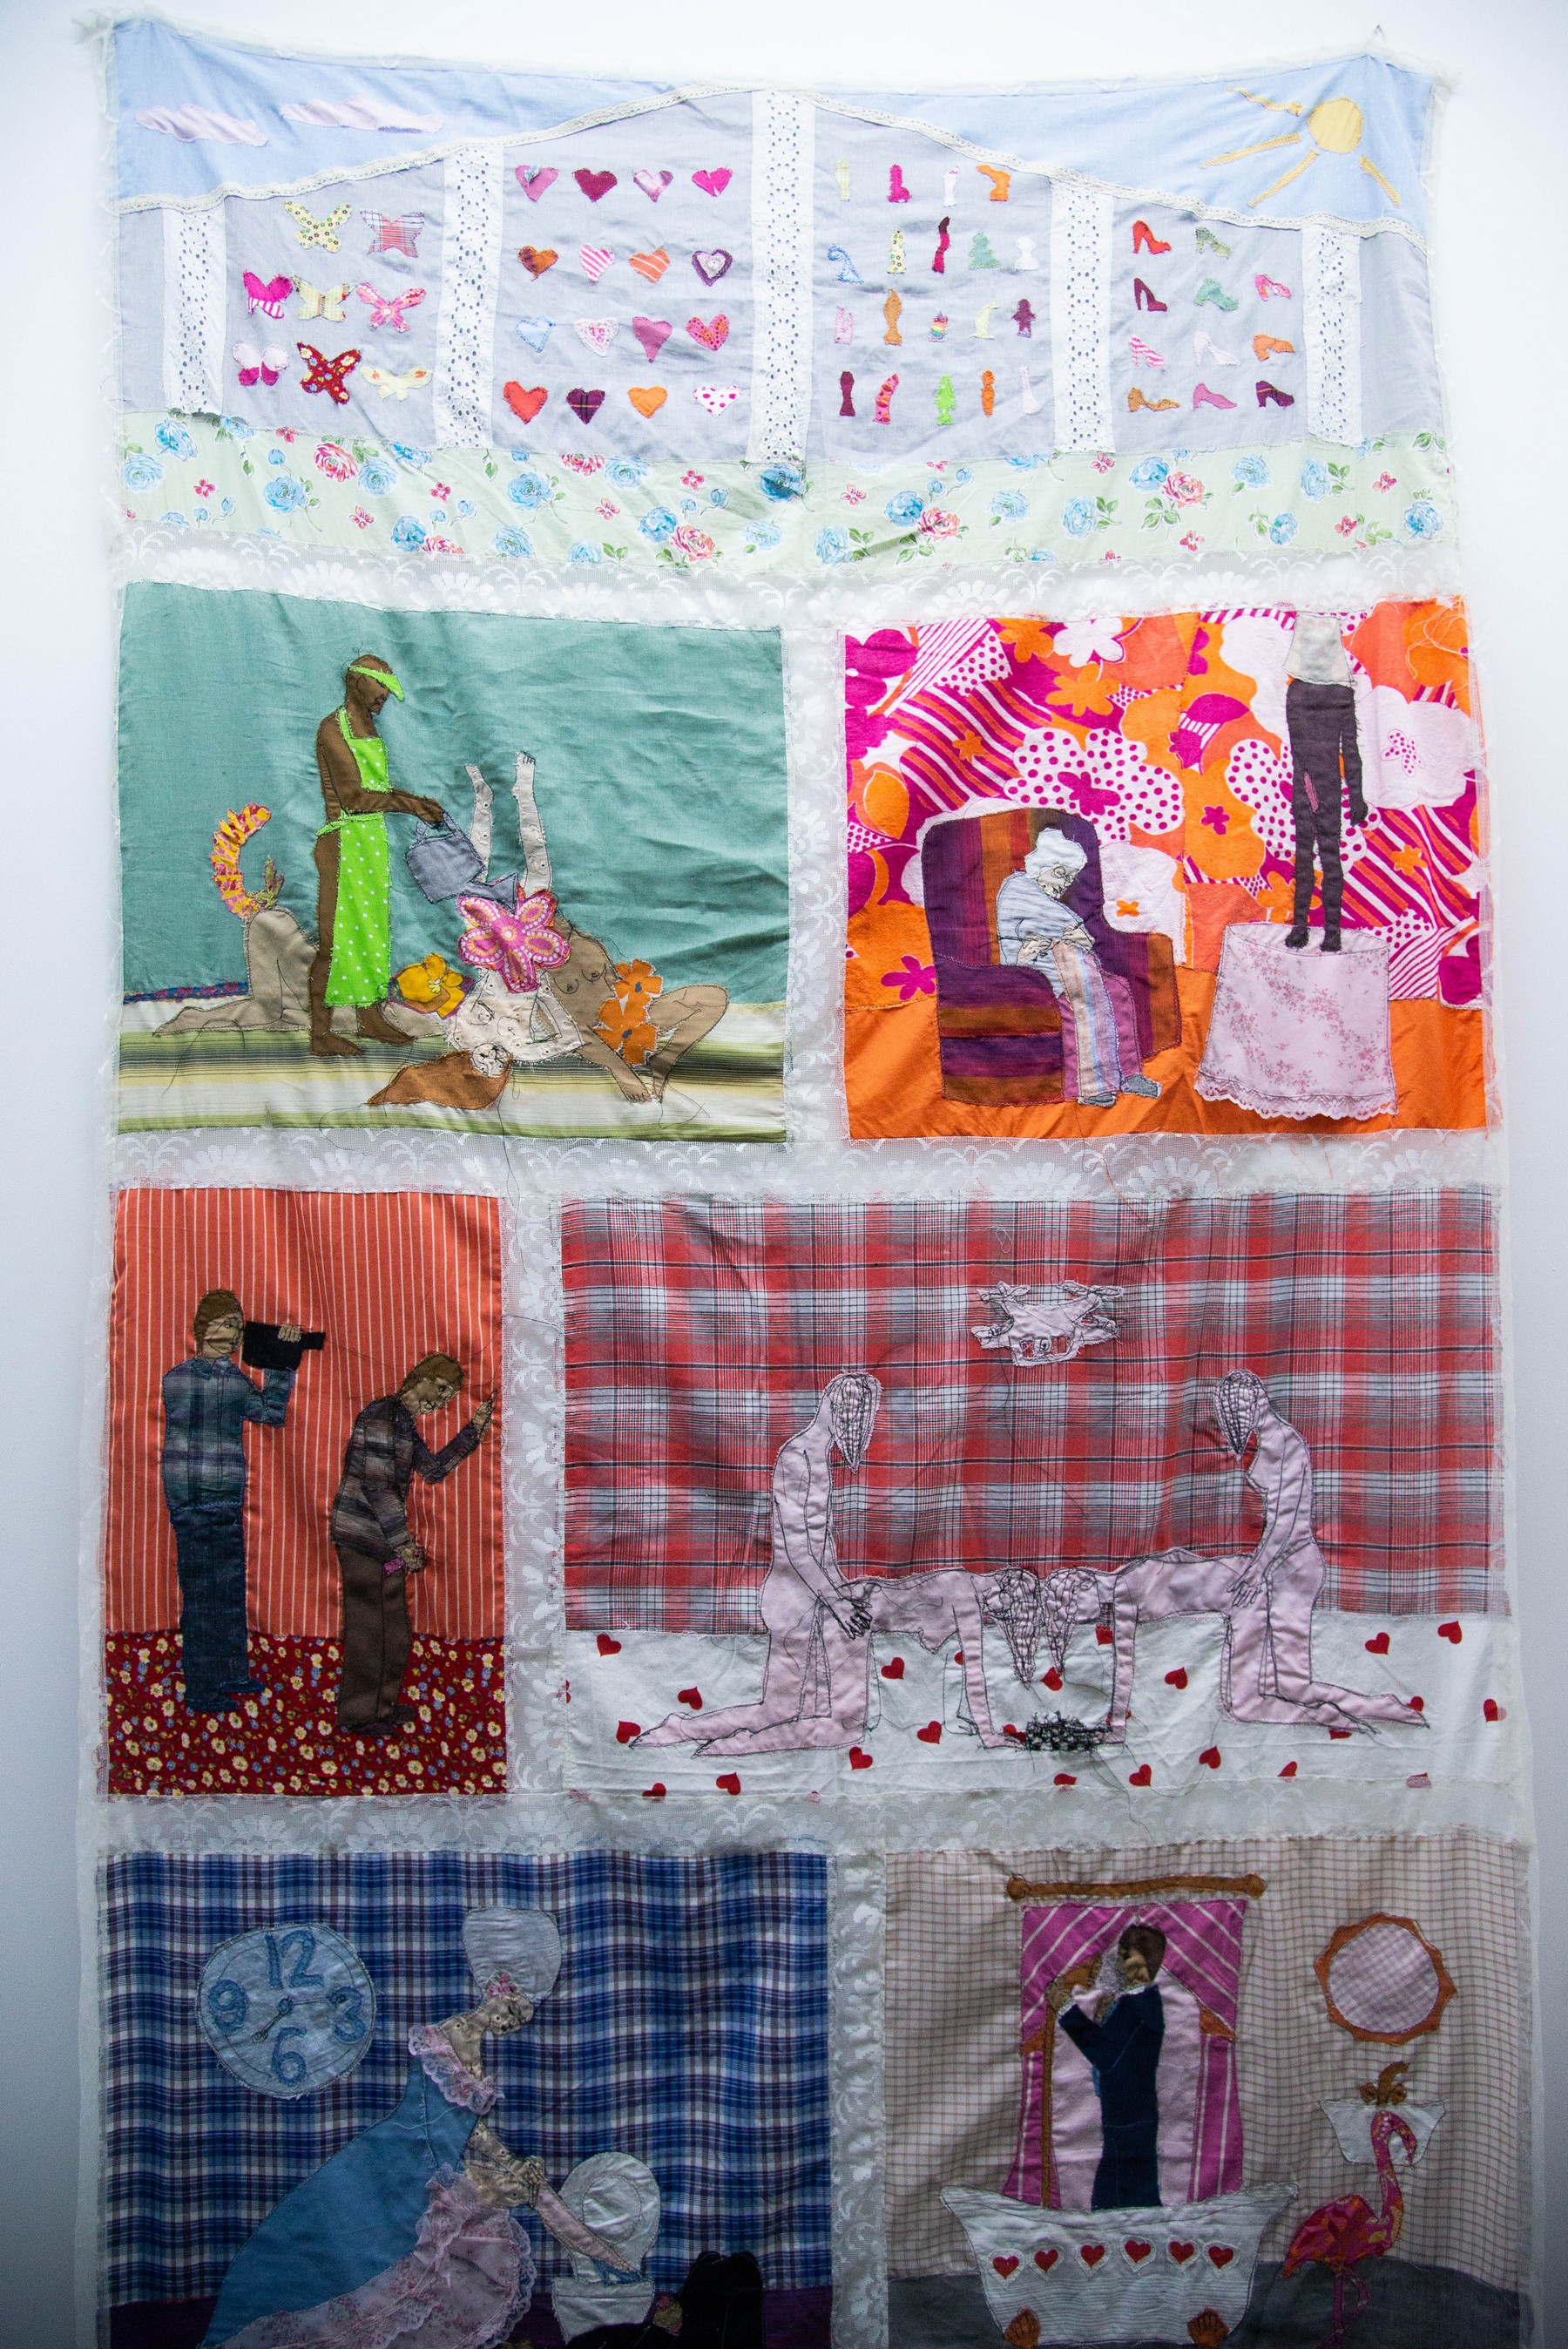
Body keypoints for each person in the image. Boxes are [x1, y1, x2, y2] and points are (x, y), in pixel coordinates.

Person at [202, 1907, 637, 2349]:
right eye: (513, 2011)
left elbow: (465, 2125)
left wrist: (508, 2162)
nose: (512, 2025)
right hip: (405, 2158)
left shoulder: (473, 2044)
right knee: (376, 2253)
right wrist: (502, 2164)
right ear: (496, 1989)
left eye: (520, 2020)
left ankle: (612, 2267)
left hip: (430, 2158)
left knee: (476, 2229)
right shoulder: (448, 2039)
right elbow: (444, 2118)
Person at [1039, 1371, 1423, 1740]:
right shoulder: (1134, 1575)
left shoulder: (1283, 1444)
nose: (1235, 1419)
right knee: (1289, 1685)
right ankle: (1376, 1707)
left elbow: (1285, 1520)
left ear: (1258, 1400)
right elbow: (1185, 1559)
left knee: (1277, 1689)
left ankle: (1348, 1714)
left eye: (1238, 1410)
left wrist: (1254, 1571)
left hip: (1290, 1566)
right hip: (1270, 1569)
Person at [638, 1372, 882, 1757]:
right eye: (854, 1417)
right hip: (793, 1599)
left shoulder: (818, 1458)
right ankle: (697, 1735)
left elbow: (821, 1545)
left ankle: (699, 1735)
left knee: (822, 1713)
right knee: (780, 1710)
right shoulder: (798, 1457)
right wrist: (838, 1601)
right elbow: (797, 1548)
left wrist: (843, 1596)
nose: (857, 1431)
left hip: (819, 1597)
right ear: (835, 1409)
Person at [329, 1352, 494, 1738]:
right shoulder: (382, 1416)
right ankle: (359, 1715)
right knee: (369, 1628)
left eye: (449, 1396)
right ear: (418, 1378)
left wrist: (474, 1430)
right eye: (440, 1388)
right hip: (361, 1535)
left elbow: (432, 1470)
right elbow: (377, 1485)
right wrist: (403, 1543)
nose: (442, 1400)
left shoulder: (402, 1421)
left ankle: (380, 1708)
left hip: (381, 1539)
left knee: (395, 1632)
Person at [160, 1288, 302, 1713]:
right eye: (227, 1325)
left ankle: (231, 1670)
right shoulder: (179, 1379)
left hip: (224, 1496)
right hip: (191, 1497)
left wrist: (281, 1361)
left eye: (239, 1328)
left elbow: (271, 1413)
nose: (235, 1335)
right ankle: (202, 1687)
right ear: (204, 1328)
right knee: (202, 1591)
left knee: (230, 1584)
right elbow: (239, 1408)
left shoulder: (231, 1378)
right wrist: (274, 1358)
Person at [309, 654, 445, 1058]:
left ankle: (369, 1017)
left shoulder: (368, 725)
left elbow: (376, 790)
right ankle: (320, 1033)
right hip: (343, 841)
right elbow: (354, 797)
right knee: (334, 939)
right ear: (356, 682)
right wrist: (411, 805)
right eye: (380, 687)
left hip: (370, 844)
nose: (385, 695)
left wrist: (415, 802)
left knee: (371, 933)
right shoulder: (333, 728)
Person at [995, 831, 1161, 1107]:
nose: (1064, 885)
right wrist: (1072, 934)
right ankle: (1091, 1085)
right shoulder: (1020, 888)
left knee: (1117, 989)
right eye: (1061, 875)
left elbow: (1073, 931)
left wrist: (1074, 935)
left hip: (1062, 967)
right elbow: (1064, 925)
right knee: (1084, 1002)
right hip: (1035, 974)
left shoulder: (1040, 894)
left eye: (1069, 879)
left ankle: (1128, 1074)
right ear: (1043, 867)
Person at [1045, 1924, 1167, 2210]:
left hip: (1130, 2113)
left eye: (1126, 1955)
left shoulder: (1140, 2005)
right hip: (1125, 2109)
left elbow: (1105, 2052)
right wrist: (1104, 2016)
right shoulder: (1134, 2003)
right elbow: (1116, 2050)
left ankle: (1128, 2223)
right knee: (1122, 2178)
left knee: (1124, 2180)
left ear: (1145, 1961)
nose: (1117, 1962)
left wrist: (1066, 2008)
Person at [1283, 612, 1368, 954]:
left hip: (1305, 780)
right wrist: (1356, 797)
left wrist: (1308, 782)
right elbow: (1350, 748)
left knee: (1307, 855)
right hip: (1327, 782)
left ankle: (1303, 929)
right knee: (1328, 857)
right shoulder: (1341, 695)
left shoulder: (1296, 692)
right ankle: (1328, 933)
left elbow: (1300, 744)